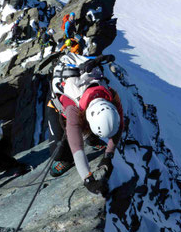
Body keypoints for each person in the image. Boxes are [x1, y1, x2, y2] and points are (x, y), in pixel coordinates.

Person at [47, 53, 124, 196]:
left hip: (85, 97)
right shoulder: (73, 109)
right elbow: (77, 148)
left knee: (86, 132)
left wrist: (108, 155)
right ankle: (66, 159)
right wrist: (88, 179)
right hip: (59, 106)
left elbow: (119, 127)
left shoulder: (111, 98)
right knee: (59, 152)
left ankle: (91, 137)